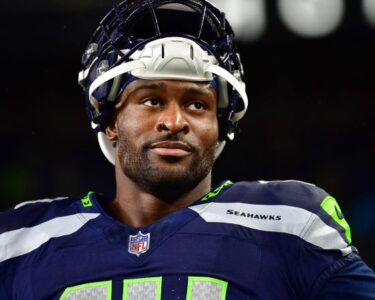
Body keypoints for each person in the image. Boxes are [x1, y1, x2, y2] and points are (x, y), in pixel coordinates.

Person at [1, 0, 374, 299]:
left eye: (197, 104)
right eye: (150, 100)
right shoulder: (18, 243)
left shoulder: (289, 226)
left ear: (221, 125)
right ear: (111, 121)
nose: (175, 121)